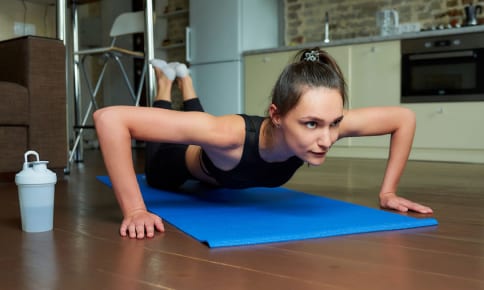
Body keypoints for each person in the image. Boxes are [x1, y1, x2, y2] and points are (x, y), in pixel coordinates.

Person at [93, 48, 433, 239]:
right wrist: (136, 209)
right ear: (276, 115)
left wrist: (387, 191)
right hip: (176, 166)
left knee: (200, 126)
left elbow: (404, 118)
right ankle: (165, 84)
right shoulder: (229, 135)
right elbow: (109, 119)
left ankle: (186, 79)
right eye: (312, 124)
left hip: (216, 163)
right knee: (170, 151)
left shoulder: (324, 128)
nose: (327, 139)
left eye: (335, 123)